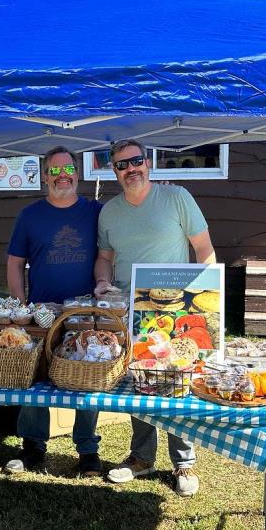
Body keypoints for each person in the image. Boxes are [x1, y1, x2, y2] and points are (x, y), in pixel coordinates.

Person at [94, 138, 215, 498]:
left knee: (177, 380)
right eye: (122, 164)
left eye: (136, 161)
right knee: (141, 381)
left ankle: (184, 462)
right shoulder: (109, 212)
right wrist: (102, 279)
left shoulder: (177, 197)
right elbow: (105, 257)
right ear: (114, 171)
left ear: (148, 162)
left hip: (175, 307)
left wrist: (207, 296)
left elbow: (203, 248)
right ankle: (142, 457)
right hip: (130, 310)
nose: (131, 169)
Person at [4, 146, 103, 477]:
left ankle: (88, 451)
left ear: (78, 173)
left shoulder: (96, 212)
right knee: (34, 378)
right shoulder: (30, 216)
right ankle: (32, 447)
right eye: (55, 171)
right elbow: (15, 264)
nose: (63, 176)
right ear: (44, 176)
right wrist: (21, 306)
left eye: (68, 170)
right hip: (42, 312)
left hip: (85, 313)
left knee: (86, 377)